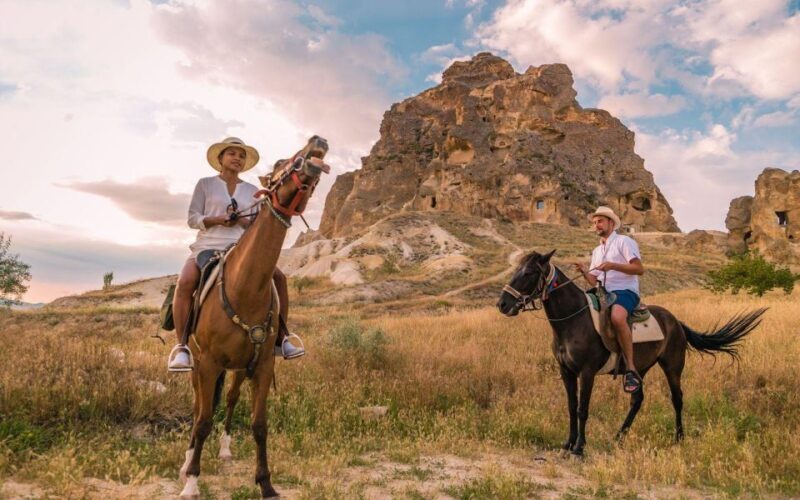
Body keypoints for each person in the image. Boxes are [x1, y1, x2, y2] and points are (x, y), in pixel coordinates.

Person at [167, 137, 304, 372]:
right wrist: (218, 220)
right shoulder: (205, 184)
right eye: (232, 154)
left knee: (279, 278)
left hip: (240, 247)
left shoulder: (252, 191)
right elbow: (193, 219)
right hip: (208, 245)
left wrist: (242, 221)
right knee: (185, 282)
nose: (237, 158)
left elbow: (258, 224)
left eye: (241, 156)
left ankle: (282, 338)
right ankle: (182, 347)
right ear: (220, 158)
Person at [573, 206, 645, 393]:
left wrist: (613, 265)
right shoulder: (597, 250)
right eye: (595, 222)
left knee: (617, 317)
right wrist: (584, 271)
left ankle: (630, 368)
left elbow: (639, 269)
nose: (596, 225)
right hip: (603, 292)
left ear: (611, 223)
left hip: (625, 290)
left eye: (600, 221)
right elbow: (594, 280)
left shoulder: (624, 241)